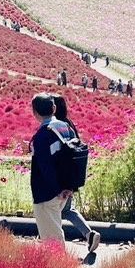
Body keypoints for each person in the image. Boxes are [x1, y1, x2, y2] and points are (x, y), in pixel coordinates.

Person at [28, 92, 100, 256]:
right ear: (54, 108)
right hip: (64, 190)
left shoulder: (42, 135)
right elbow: (73, 156)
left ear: (34, 112)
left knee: (51, 239)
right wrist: (68, 187)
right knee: (54, 233)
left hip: (48, 193)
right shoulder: (65, 127)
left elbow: (46, 168)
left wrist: (57, 189)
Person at [49, 95, 101, 255]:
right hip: (71, 176)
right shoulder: (69, 125)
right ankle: (89, 234)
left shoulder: (56, 127)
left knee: (54, 210)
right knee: (66, 209)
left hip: (60, 177)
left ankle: (54, 245)